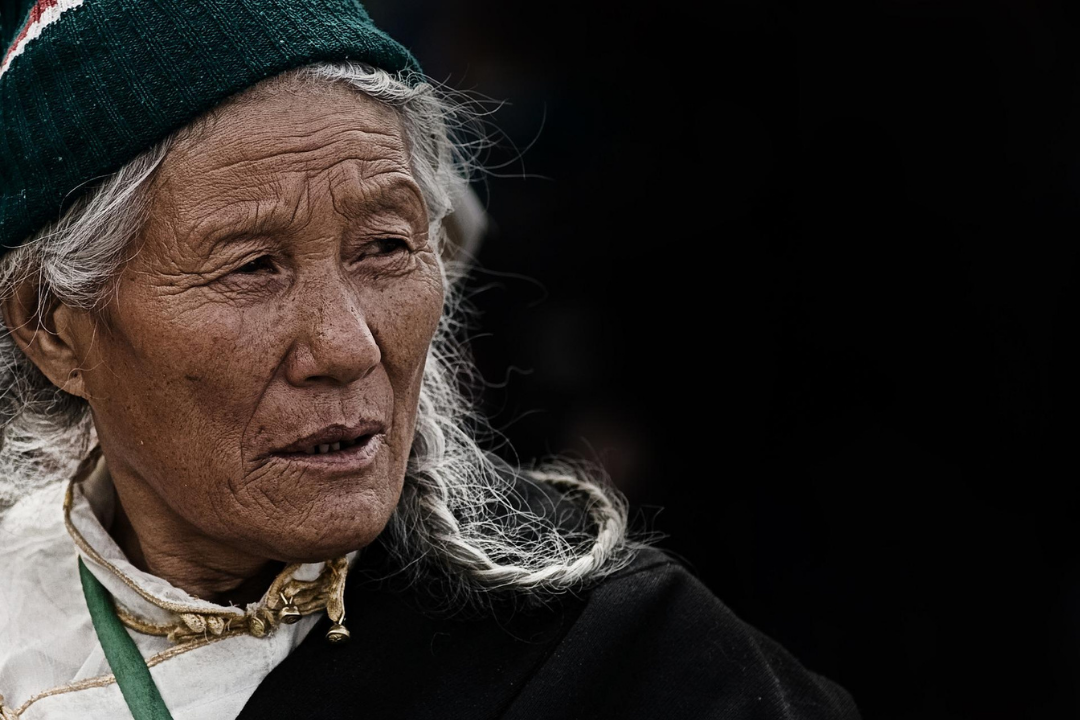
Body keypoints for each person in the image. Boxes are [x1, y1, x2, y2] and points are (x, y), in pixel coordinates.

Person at [0, 2, 860, 718]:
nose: (347, 346)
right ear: (51, 326)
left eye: (384, 247)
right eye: (254, 267)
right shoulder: (16, 616)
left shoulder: (620, 664)